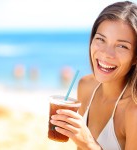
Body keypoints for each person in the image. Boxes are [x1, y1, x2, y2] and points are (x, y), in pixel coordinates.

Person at [50, 1, 137, 150]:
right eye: (101, 39)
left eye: (122, 46)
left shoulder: (133, 112)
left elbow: (86, 145)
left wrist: (89, 143)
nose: (106, 53)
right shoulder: (85, 86)